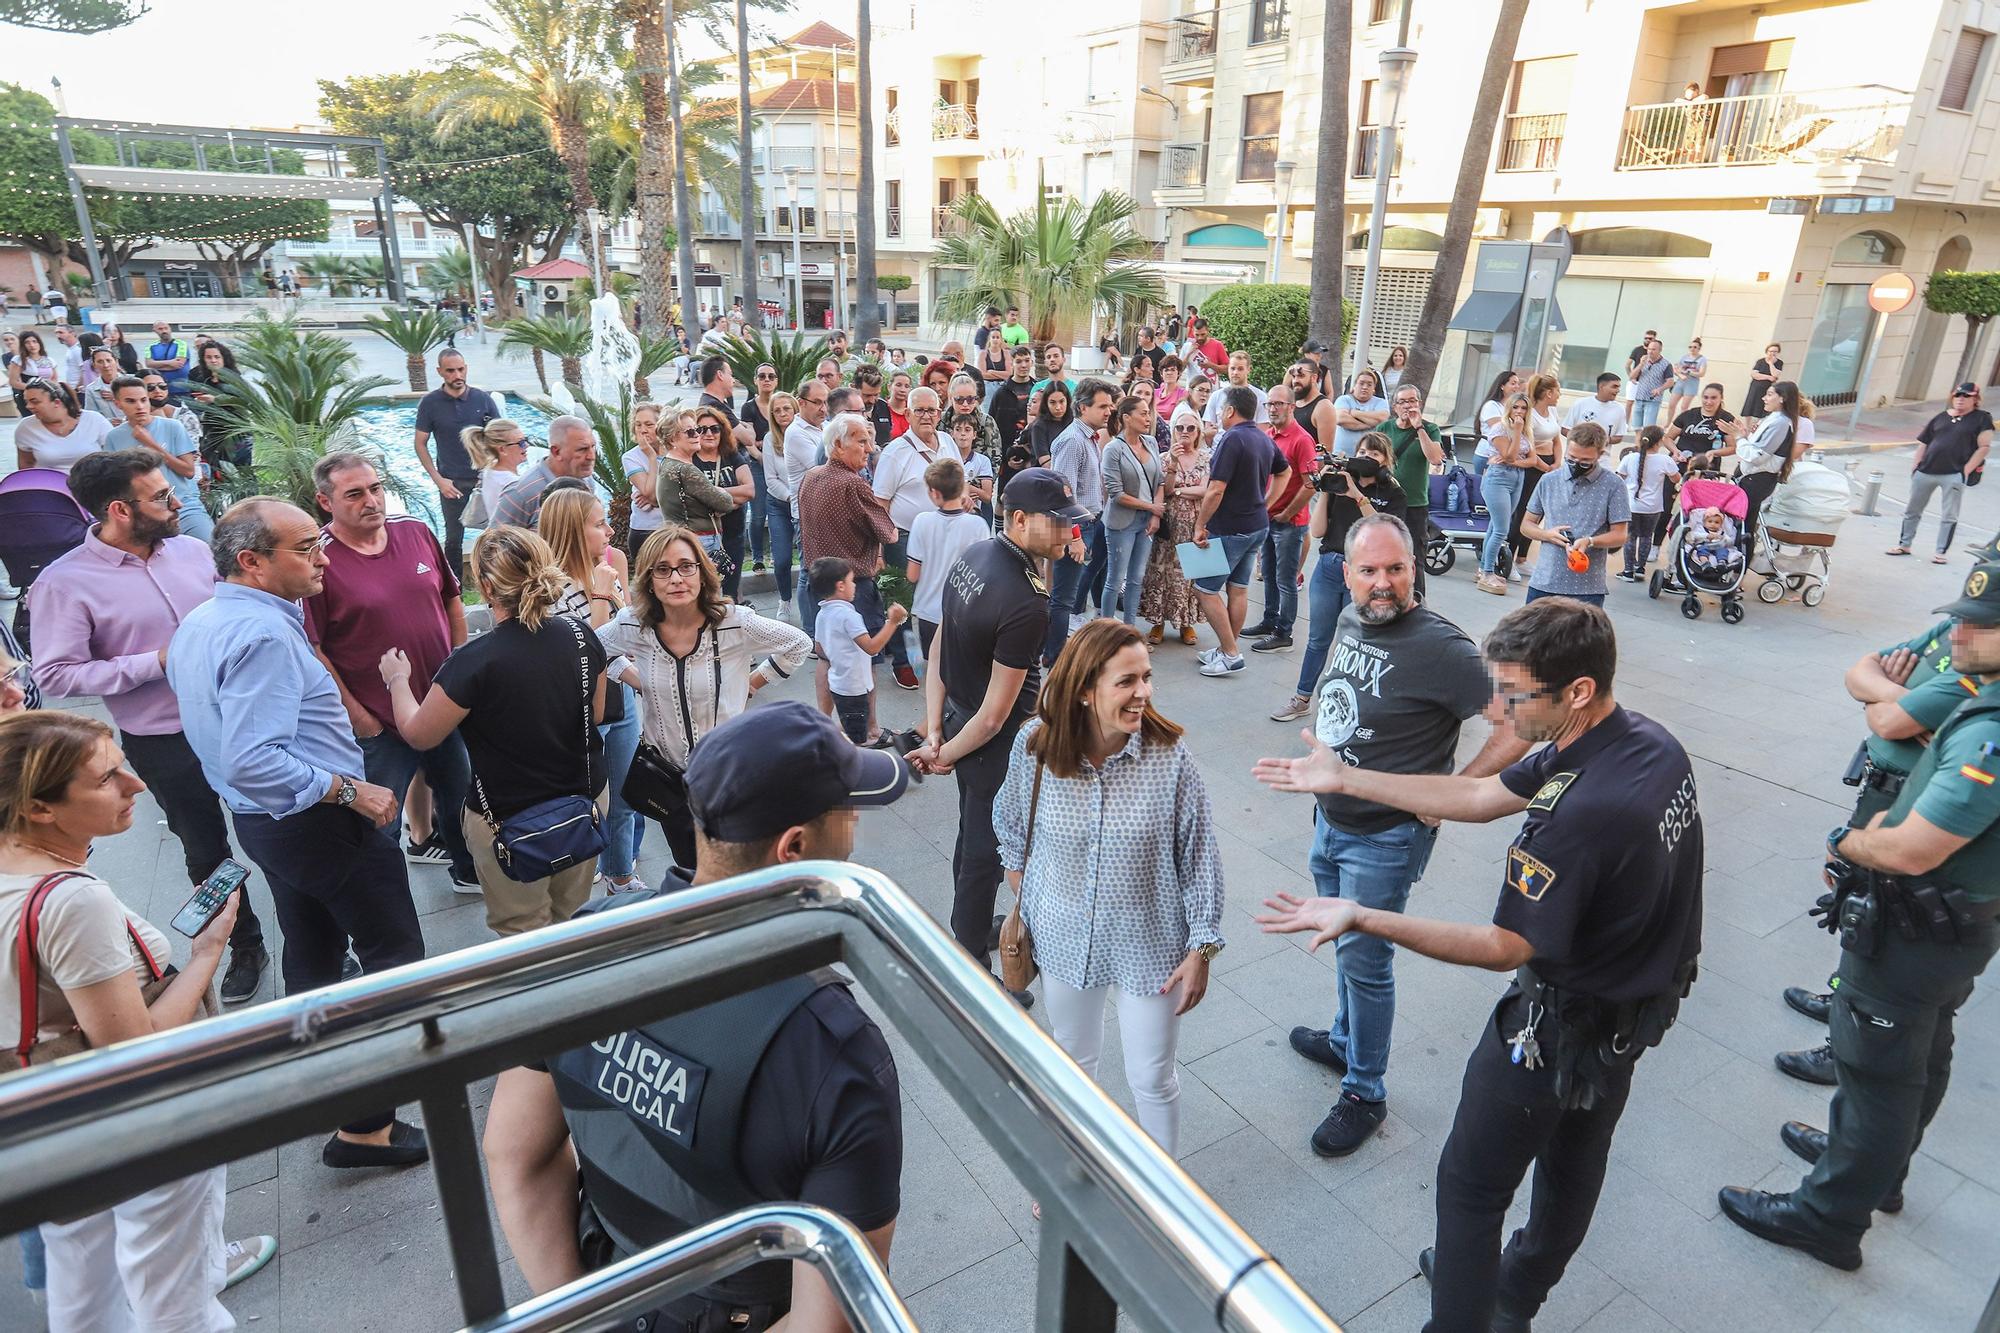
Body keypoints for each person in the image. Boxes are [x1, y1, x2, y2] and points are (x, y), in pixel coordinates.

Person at [1254, 598, 1702, 1333]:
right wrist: (1346, 779)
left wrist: (1361, 915)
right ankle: (1513, 1296)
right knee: (1573, 1165)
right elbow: (1479, 794)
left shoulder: (1580, 818)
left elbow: (1503, 945)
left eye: (1515, 694)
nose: (1497, 708)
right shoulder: (1647, 744)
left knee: (1469, 1191)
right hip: (1628, 1020)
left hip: (1556, 1031)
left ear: (1577, 691)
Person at [481, 701, 906, 1333]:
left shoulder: (585, 945)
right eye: (844, 813)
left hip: (608, 1283)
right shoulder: (836, 1053)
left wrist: (588, 1314)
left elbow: (514, 1154)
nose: (852, 830)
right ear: (796, 847)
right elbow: (832, 1320)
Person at [1721, 567, 2000, 1273]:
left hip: (1920, 929)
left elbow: (1915, 847)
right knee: (1919, 1051)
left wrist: (1851, 844)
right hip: (1949, 928)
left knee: (1879, 1070)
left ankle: (1828, 1216)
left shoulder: (1991, 730)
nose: (1958, 631)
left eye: (1979, 622)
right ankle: (1877, 1167)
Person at [169, 499, 430, 1169]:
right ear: (252, 562)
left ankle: (328, 1089)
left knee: (313, 953)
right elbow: (255, 757)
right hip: (317, 823)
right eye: (307, 547)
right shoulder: (263, 636)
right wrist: (354, 790)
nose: (324, 557)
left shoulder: (205, 619)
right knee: (392, 954)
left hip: (270, 825)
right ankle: (368, 1122)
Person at [0, 710, 278, 1329]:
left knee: (82, 1285)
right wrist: (207, 954)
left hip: (40, 1123)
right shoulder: (72, 899)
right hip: (135, 1121)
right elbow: (135, 1047)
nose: (136, 785)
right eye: (107, 779)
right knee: (176, 1295)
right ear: (40, 809)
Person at [1266, 515, 1528, 1157]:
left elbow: (1519, 723)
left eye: (1396, 569)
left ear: (1414, 567)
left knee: (1366, 956)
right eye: (1369, 571)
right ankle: (1344, 1038)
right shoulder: (1355, 618)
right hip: (1333, 817)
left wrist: (1456, 791)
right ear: (1347, 572)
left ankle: (1365, 1089)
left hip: (1384, 835)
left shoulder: (1443, 646)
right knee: (1341, 937)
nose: (1383, 584)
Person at [28, 450, 270, 1004]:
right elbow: (58, 674)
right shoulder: (64, 584)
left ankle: (322, 929)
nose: (176, 501)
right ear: (120, 509)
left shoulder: (193, 552)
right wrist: (157, 661)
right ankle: (244, 944)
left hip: (244, 721)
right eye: (161, 496)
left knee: (282, 823)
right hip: (165, 740)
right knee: (205, 848)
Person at [994, 619, 1224, 1153]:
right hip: (1063, 939)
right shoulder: (1035, 747)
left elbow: (1199, 857)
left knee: (1153, 1077)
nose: (1143, 691)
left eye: (1146, 677)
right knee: (1074, 1063)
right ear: (1083, 691)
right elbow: (1009, 825)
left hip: (1151, 946)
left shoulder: (1169, 759)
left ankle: (1162, 1193)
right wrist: (1034, 892)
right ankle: (1073, 1169)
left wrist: (1202, 946)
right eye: (1126, 681)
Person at [1771, 616, 1968, 1093]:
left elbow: (1885, 718)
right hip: (1881, 786)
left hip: (1911, 803)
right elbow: (1859, 672)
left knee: (1878, 919)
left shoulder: (1980, 660)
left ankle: (1845, 1050)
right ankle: (1843, 996)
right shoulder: (1954, 627)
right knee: (1852, 903)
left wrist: (1885, 698)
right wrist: (1892, 694)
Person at [379, 525, 607, 935]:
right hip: (582, 801)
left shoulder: (473, 663)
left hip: (507, 817)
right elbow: (597, 712)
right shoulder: (580, 634)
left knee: (520, 927)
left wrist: (397, 679)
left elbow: (419, 735)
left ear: (486, 587)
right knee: (574, 915)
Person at [915, 469, 1083, 1004]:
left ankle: (971, 925)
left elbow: (940, 640)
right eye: (1057, 525)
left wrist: (938, 728)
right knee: (987, 850)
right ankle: (968, 961)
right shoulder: (1026, 599)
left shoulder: (974, 555)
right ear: (1017, 519)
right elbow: (995, 715)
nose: (1067, 536)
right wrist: (945, 751)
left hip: (962, 724)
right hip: (995, 745)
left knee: (973, 838)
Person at [298, 451, 478, 893]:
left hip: (440, 705)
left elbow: (452, 599)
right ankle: (384, 904)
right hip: (379, 724)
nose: (371, 501)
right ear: (326, 502)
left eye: (375, 489)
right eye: (355, 494)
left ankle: (468, 871)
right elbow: (313, 647)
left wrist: (460, 666)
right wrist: (361, 718)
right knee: (380, 818)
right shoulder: (318, 560)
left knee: (459, 796)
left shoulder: (415, 532)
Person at [601, 528, 808, 870]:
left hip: (730, 776)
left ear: (701, 571)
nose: (677, 578)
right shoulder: (633, 626)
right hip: (669, 780)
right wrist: (634, 678)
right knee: (691, 871)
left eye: (686, 566)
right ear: (649, 580)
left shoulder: (734, 623)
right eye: (662, 569)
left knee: (739, 869)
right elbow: (594, 650)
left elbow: (798, 644)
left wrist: (753, 682)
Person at [540, 489, 646, 892]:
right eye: (599, 523)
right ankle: (580, 884)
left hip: (622, 702)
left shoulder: (606, 572)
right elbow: (585, 652)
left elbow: (621, 648)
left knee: (624, 798)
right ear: (572, 529)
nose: (610, 529)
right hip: (578, 713)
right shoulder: (550, 588)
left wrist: (650, 683)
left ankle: (621, 874)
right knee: (584, 804)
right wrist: (602, 595)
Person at [1270, 434, 1408, 724]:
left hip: (1365, 575)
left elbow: (1382, 533)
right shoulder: (1341, 483)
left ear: (1386, 460)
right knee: (1318, 638)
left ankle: (1350, 706)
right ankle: (1302, 697)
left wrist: (1357, 497)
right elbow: (1318, 531)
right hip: (1329, 567)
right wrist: (1327, 490)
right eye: (1362, 451)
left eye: (1374, 453)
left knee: (1356, 642)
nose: (1367, 456)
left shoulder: (1394, 493)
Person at [797, 413, 905, 691]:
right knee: (864, 661)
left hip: (817, 585)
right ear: (837, 445)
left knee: (826, 657)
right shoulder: (852, 483)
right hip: (852, 588)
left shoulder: (811, 476)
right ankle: (868, 728)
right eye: (862, 441)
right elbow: (889, 533)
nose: (869, 449)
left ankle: (825, 720)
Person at [1191, 386, 1289, 677]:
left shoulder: (1231, 439)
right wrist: (1266, 503)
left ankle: (1231, 653)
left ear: (1231, 410)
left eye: (1221, 409)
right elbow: (1285, 472)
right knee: (1238, 587)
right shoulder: (1262, 437)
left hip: (1229, 528)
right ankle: (1226, 648)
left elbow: (1215, 490)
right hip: (1256, 526)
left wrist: (1200, 525)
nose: (1219, 414)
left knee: (1204, 589)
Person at [1041, 378, 1115, 665]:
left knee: (1066, 596)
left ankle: (1052, 652)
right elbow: (1063, 497)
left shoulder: (1088, 437)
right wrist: (1074, 537)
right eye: (1102, 406)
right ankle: (1054, 656)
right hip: (1076, 527)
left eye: (1110, 405)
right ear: (1083, 408)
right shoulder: (1073, 441)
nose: (1109, 411)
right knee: (1064, 598)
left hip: (1088, 523)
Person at [1518, 422, 1630, 607]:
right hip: (1544, 581)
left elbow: (1620, 535)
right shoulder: (1548, 480)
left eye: (1585, 461)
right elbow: (1526, 525)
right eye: (1571, 458)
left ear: (1600, 454)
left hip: (1587, 589)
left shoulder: (1614, 485)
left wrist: (1590, 541)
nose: (1576, 465)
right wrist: (1546, 534)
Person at [413, 349, 501, 577]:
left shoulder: (483, 399)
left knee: (497, 535)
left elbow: (500, 437)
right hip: (451, 483)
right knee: (453, 539)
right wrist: (438, 480)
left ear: (466, 368)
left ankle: (497, 583)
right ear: (440, 372)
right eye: (450, 371)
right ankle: (455, 591)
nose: (457, 375)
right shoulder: (430, 403)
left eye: (460, 369)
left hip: (485, 480)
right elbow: (420, 443)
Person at [1247, 382, 1319, 653]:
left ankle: (1284, 632)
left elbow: (1311, 483)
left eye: (1278, 404)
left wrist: (1288, 512)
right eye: (1269, 404)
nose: (1273, 408)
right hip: (1267, 518)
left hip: (1290, 522)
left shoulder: (1302, 439)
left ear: (1292, 406)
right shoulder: (1269, 435)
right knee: (1268, 573)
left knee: (1286, 580)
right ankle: (1269, 620)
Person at [809, 557, 909, 746]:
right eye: (851, 581)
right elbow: (872, 648)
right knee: (857, 736)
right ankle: (830, 741)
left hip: (838, 682)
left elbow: (819, 648)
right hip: (854, 687)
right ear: (840, 586)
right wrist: (892, 622)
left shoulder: (822, 614)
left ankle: (824, 730)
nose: (854, 586)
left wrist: (840, 655)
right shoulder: (849, 616)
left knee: (851, 722)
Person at [1890, 382, 1992, 562]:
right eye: (1957, 395)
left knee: (1949, 515)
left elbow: (1983, 447)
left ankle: (1940, 552)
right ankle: (1904, 545)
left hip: (1953, 473)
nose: (1961, 399)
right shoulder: (1941, 417)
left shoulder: (1981, 419)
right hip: (1926, 471)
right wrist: (1916, 466)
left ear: (1975, 399)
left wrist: (1966, 470)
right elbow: (1924, 442)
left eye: (1966, 396)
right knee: (1912, 510)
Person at [106, 375, 211, 542]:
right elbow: (116, 483)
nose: (140, 407)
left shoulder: (173, 427)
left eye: (143, 400)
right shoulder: (114, 437)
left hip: (184, 505)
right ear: (118, 404)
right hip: (143, 514)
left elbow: (188, 471)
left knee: (211, 550)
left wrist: (151, 444)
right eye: (131, 401)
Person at [1140, 407, 1212, 649]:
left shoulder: (1206, 457)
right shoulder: (1163, 458)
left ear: (1198, 431)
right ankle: (1158, 622)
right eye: (1179, 428)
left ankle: (1186, 623)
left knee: (1189, 575)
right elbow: (1165, 489)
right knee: (1161, 573)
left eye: (1190, 428)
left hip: (1195, 523)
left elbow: (1205, 490)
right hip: (1168, 526)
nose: (1184, 432)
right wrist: (1172, 464)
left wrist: (1179, 491)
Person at [906, 458, 989, 656]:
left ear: (935, 493)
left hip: (928, 611)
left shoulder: (922, 521)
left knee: (935, 665)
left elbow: (912, 575)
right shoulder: (978, 525)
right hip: (965, 611)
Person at [1100, 392, 1165, 630]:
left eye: (1149, 413)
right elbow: (1116, 494)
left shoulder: (1151, 442)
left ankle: (1130, 630)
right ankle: (1106, 632)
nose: (1148, 418)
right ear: (1127, 418)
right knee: (1115, 580)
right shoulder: (1113, 449)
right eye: (1143, 413)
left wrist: (1155, 515)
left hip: (1146, 522)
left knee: (1137, 579)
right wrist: (1152, 507)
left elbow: (1159, 480)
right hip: (1121, 522)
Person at [1476, 394, 1541, 596]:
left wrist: (1514, 461)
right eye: (1516, 407)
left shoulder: (1527, 431)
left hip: (1517, 477)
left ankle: (1483, 569)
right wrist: (1517, 432)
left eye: (1523, 408)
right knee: (1502, 530)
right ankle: (1487, 572)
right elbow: (1510, 454)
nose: (1520, 412)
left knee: (1495, 526)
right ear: (1509, 409)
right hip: (1498, 478)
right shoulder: (1500, 429)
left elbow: (1531, 460)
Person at [1383, 383, 1444, 597]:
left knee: (1414, 558)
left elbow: (1435, 458)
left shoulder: (1430, 429)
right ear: (1395, 406)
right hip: (1387, 502)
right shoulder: (1385, 429)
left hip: (1415, 505)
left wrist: (1419, 428)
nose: (1408, 406)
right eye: (1402, 402)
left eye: (1412, 401)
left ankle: (1418, 605)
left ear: (1419, 404)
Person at [653, 408, 740, 554]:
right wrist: (721, 491)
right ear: (672, 439)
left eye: (697, 430)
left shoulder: (667, 463)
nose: (697, 435)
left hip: (684, 539)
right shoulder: (686, 470)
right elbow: (725, 503)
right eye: (690, 432)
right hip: (699, 541)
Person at [692, 402, 756, 600]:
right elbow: (693, 500)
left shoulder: (732, 456)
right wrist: (732, 498)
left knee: (730, 592)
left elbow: (750, 490)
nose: (708, 433)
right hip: (701, 539)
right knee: (704, 593)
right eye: (701, 429)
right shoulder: (690, 461)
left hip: (732, 537)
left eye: (714, 428)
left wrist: (715, 494)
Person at [493, 415, 600, 530]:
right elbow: (493, 543)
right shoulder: (522, 493)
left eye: (593, 446)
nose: (591, 456)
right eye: (582, 449)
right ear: (556, 452)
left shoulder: (586, 481)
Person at [1731, 379, 1803, 545]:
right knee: (1741, 523)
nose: (1764, 398)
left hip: (1756, 480)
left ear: (1782, 398)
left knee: (1744, 526)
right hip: (1751, 477)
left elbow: (1758, 456)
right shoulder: (1774, 419)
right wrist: (1744, 437)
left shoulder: (1780, 422)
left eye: (1770, 394)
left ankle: (1739, 564)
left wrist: (1739, 438)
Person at [1615, 425, 1676, 582]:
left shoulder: (1629, 458)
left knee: (1630, 536)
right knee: (1647, 536)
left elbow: (1618, 478)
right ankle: (1640, 568)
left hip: (1631, 505)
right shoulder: (1665, 460)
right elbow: (1676, 478)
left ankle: (1628, 571)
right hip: (1653, 506)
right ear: (1659, 442)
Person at [14, 377, 112, 474]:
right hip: (48, 486)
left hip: (94, 483)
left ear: (56, 402)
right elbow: (26, 464)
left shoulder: (94, 420)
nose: (28, 406)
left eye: (35, 402)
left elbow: (113, 456)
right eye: (26, 402)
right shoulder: (26, 427)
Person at [464, 416, 530, 536]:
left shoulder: (489, 471)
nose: (526, 446)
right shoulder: (511, 483)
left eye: (525, 440)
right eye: (520, 442)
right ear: (502, 449)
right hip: (514, 542)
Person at [1470, 369, 1522, 480]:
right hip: (1487, 455)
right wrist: (1517, 427)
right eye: (1513, 383)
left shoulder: (1511, 407)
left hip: (1504, 455)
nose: (1517, 387)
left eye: (1518, 384)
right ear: (1502, 386)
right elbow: (1500, 429)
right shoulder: (1491, 406)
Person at [1330, 368, 1390, 459]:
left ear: (1374, 389)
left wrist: (1355, 413)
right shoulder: (1343, 399)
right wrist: (1371, 424)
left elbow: (1382, 419)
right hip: (1340, 456)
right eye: (1361, 383)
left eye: (1369, 384)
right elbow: (1341, 419)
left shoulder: (1381, 403)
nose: (1365, 387)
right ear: (1354, 386)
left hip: (1368, 458)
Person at [1200, 350, 1269, 427]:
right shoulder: (1216, 396)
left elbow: (1262, 432)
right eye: (1232, 368)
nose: (1235, 372)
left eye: (1240, 369)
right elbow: (1208, 429)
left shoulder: (1261, 397)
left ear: (1249, 369)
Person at [989, 344, 1038, 449]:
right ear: (1011, 364)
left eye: (1027, 360)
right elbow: (991, 425)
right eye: (1019, 361)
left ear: (1032, 363)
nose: (1023, 365)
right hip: (1006, 450)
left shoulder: (1038, 391)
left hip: (1033, 448)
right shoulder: (1001, 393)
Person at [1562, 371, 1627, 446]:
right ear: (1601, 386)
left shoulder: (1619, 409)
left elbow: (1619, 436)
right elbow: (1565, 429)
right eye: (1614, 386)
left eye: (1619, 387)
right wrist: (1582, 440)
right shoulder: (1580, 403)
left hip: (1603, 457)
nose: (1618, 390)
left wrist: (1605, 440)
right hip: (1575, 456)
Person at [1628, 340, 1674, 432]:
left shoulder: (1666, 364)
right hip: (1639, 398)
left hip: (1652, 400)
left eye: (1653, 349)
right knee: (1637, 429)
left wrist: (1660, 389)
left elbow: (1670, 382)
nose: (1650, 351)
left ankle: (1645, 446)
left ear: (1660, 350)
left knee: (1647, 429)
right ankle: (1638, 446)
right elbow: (1632, 376)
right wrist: (1641, 364)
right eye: (1649, 349)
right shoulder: (1643, 361)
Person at [144, 321, 193, 399]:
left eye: (166, 328)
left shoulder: (181, 344)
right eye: (160, 329)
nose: (164, 331)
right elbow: (148, 364)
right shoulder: (150, 346)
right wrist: (170, 362)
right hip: (160, 390)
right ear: (154, 331)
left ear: (170, 329)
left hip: (181, 388)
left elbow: (178, 364)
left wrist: (156, 366)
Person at [79, 348, 127, 424]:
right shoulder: (91, 389)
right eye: (100, 362)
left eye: (108, 360)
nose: (105, 365)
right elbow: (92, 416)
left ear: (116, 361)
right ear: (94, 365)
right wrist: (108, 421)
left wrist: (117, 397)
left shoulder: (131, 382)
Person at [1667, 337, 1708, 423]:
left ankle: (1682, 424)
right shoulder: (1684, 357)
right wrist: (1679, 373)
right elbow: (1677, 368)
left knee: (1684, 407)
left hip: (1691, 384)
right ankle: (1668, 423)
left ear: (1699, 348)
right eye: (1690, 347)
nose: (1692, 349)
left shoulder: (1702, 359)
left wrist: (1689, 372)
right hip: (1680, 383)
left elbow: (1702, 373)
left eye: (1695, 347)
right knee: (1671, 404)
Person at [1744, 341, 1784, 417]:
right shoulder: (1760, 361)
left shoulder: (1779, 363)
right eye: (1771, 351)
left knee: (1762, 408)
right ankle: (1747, 426)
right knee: (1749, 406)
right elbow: (1754, 374)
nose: (1773, 353)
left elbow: (1775, 375)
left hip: (1767, 388)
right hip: (1755, 387)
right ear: (1767, 352)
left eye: (1775, 351)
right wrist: (1768, 377)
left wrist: (1771, 364)